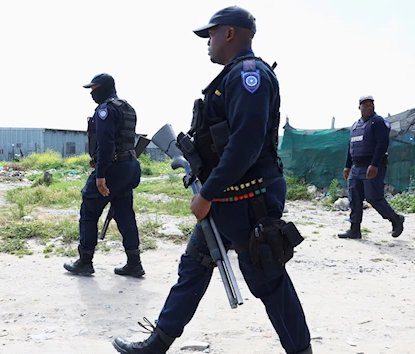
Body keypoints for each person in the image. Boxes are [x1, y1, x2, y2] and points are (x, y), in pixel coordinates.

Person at [112, 6, 312, 354]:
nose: (207, 42)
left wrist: (207, 194)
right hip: (226, 199)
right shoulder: (232, 77)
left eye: (211, 34)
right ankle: (156, 344)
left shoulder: (249, 76)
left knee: (268, 280)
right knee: (193, 268)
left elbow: (246, 144)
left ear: (230, 33)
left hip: (249, 200)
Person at [63, 73, 144, 277]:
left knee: (89, 210)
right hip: (130, 166)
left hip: (112, 168)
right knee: (125, 214)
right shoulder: (127, 108)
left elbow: (106, 144)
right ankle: (134, 263)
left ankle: (85, 261)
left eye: (94, 88)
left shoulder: (105, 110)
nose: (91, 92)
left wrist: (100, 175)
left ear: (103, 87)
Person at [338, 96, 405, 239]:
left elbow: (382, 144)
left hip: (373, 166)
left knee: (373, 198)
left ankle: (396, 219)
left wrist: (374, 164)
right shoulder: (355, 126)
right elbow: (351, 147)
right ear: (359, 107)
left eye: (371, 105)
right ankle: (354, 229)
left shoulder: (378, 122)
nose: (369, 107)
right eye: (365, 105)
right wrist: (347, 166)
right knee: (354, 198)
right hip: (356, 168)